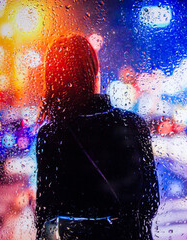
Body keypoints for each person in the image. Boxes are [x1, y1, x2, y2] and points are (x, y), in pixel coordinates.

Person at [35, 33, 159, 240]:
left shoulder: (50, 136)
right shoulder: (132, 125)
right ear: (94, 73)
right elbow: (150, 202)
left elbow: (46, 213)